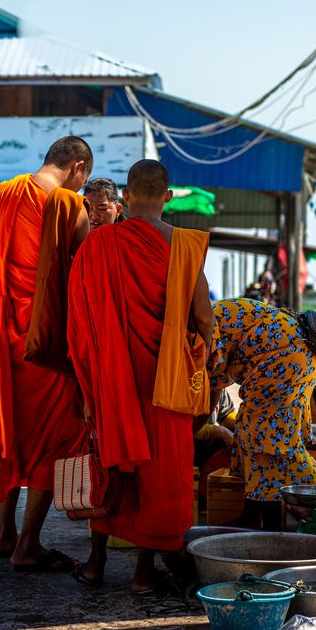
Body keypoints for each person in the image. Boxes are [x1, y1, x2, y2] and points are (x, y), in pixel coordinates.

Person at [68, 159, 213, 592]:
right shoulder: (185, 246)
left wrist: (87, 384)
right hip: (166, 378)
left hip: (113, 377)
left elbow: (79, 320)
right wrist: (199, 360)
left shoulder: (98, 245)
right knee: (160, 472)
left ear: (126, 197)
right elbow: (204, 319)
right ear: (167, 197)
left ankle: (95, 562)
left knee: (110, 464)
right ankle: (142, 572)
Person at [0, 136, 92, 571]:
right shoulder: (67, 205)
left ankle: (4, 533)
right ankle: (28, 544)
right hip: (44, 346)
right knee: (55, 438)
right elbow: (82, 279)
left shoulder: (1, 194)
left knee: (8, 432)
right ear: (77, 168)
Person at [206, 299, 316, 530]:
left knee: (266, 439)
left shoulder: (204, 329)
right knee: (258, 436)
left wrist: (195, 428)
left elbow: (211, 385)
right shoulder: (218, 314)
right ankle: (256, 516)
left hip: (287, 356)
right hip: (303, 354)